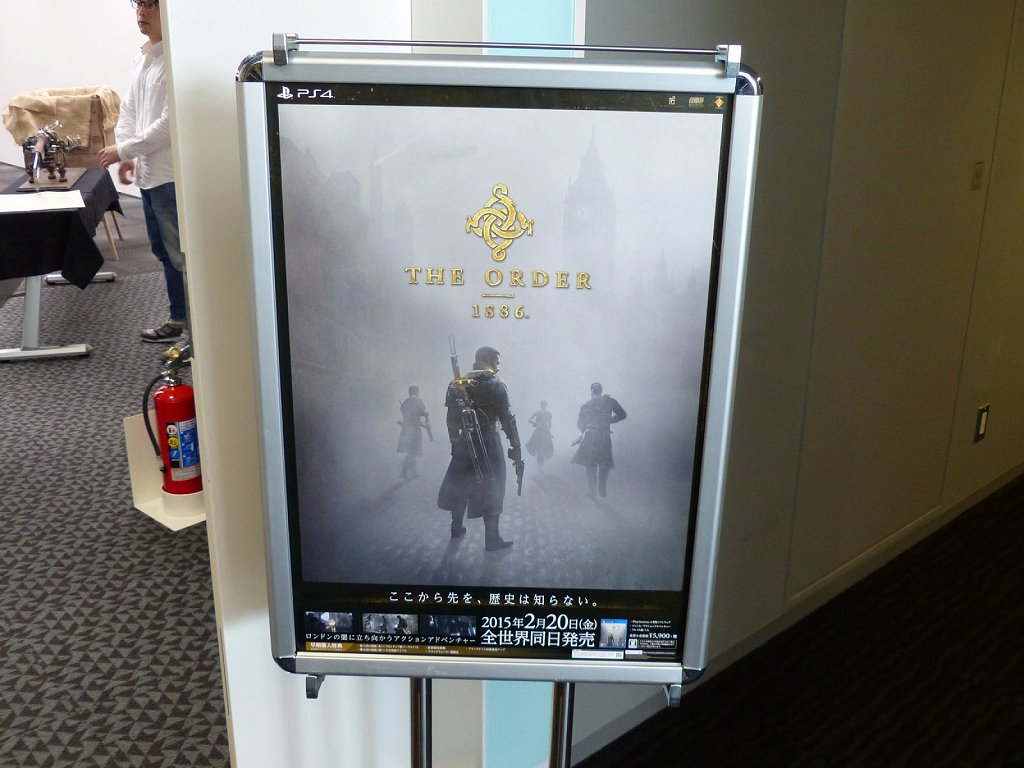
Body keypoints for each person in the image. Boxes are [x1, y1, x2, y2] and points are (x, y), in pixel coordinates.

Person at [97, 0, 186, 344]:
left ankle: (192, 331)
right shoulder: (143, 57)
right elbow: (130, 109)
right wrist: (127, 151)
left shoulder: (176, 59)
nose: (141, 13)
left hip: (170, 175)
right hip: (150, 175)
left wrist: (124, 150)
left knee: (180, 256)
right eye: (139, 5)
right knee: (163, 252)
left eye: (151, 5)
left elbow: (168, 124)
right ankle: (179, 319)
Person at [437, 346, 522, 550]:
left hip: (464, 442)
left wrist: (455, 444)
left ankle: (456, 527)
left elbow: (451, 421)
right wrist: (516, 446)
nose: (498, 366)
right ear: (486, 360)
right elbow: (507, 420)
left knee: (460, 483)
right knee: (492, 486)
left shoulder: (456, 384)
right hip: (489, 442)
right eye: (496, 361)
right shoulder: (496, 384)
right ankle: (492, 539)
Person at [571, 382, 626, 498]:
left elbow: (580, 424)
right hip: (603, 436)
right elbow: (622, 414)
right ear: (601, 390)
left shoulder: (586, 405)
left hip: (591, 437)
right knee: (603, 463)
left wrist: (585, 430)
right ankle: (601, 488)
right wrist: (610, 420)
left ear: (591, 391)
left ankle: (593, 491)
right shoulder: (610, 401)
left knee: (591, 464)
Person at [396, 385, 430, 480]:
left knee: (411, 451)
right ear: (416, 392)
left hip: (406, 429)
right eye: (418, 391)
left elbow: (406, 414)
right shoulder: (418, 401)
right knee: (412, 452)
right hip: (414, 429)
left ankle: (413, 473)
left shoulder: (406, 402)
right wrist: (425, 414)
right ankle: (404, 472)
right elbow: (422, 412)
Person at [525, 400, 554, 470]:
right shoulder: (542, 413)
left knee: (542, 448)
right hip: (541, 431)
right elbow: (529, 420)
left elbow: (550, 424)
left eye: (543, 405)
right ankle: (540, 467)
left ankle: (540, 467)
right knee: (540, 447)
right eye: (543, 405)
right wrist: (536, 424)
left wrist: (536, 424)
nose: (543, 406)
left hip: (542, 431)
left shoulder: (546, 413)